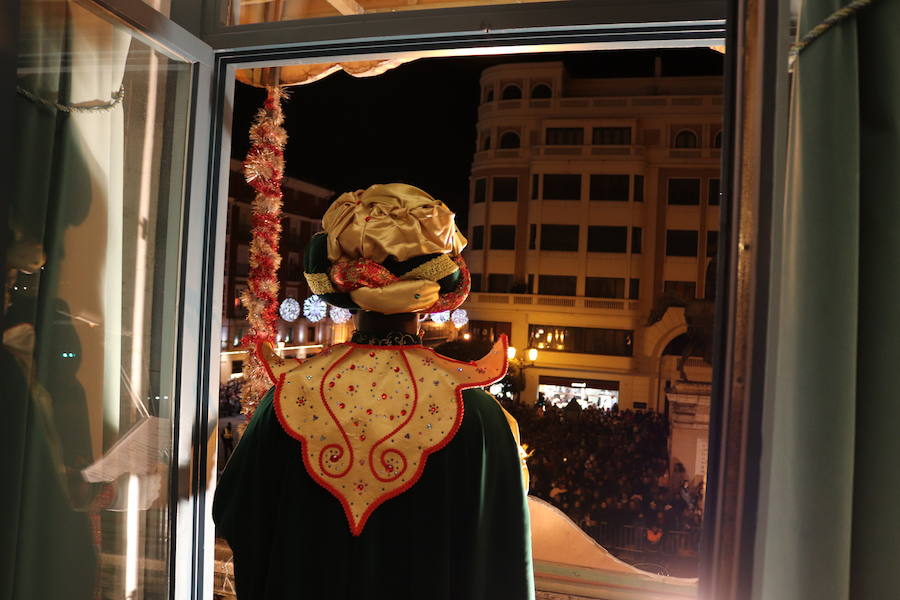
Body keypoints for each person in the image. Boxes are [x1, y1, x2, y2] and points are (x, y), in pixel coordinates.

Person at [213, 184, 534, 600]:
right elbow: (503, 554)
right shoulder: (479, 412)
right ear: (431, 298)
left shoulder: (291, 395)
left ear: (345, 290)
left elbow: (238, 513)